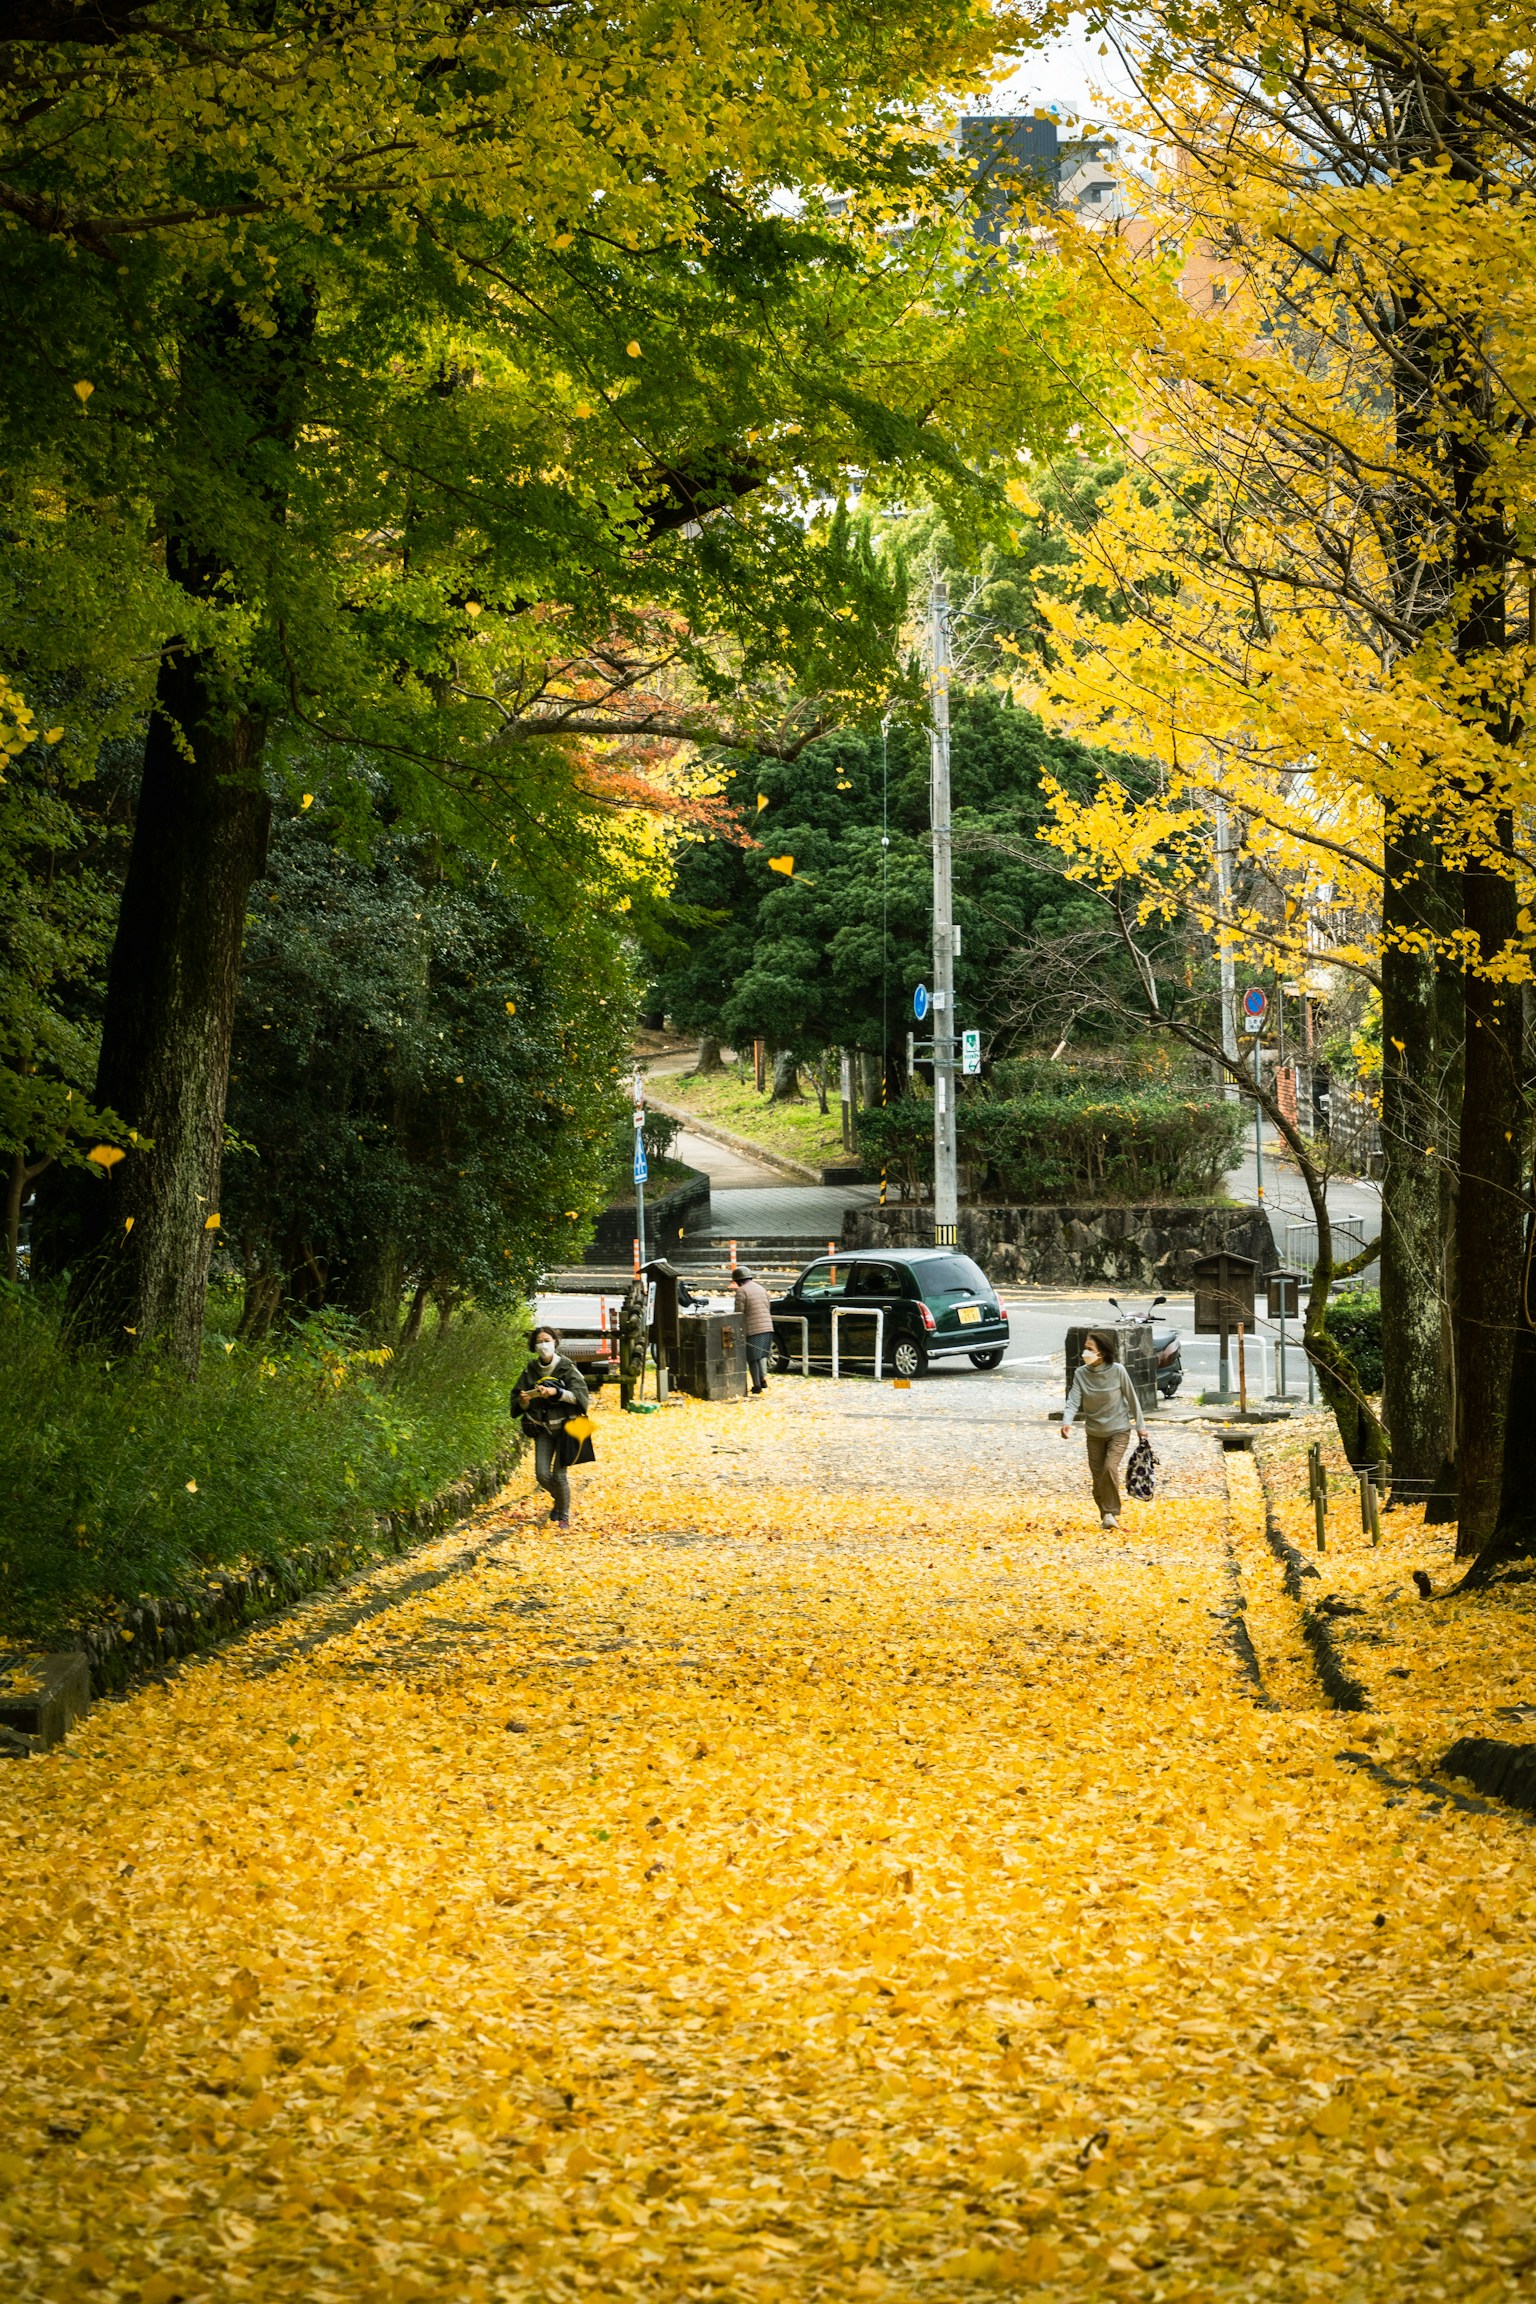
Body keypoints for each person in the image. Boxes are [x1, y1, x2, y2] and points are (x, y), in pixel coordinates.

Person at [1059, 1327, 1149, 1529]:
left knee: (1109, 1468)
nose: (1085, 1353)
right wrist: (1067, 1422)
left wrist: (1140, 1427)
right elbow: (1073, 1400)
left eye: (1090, 1349)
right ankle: (1106, 1515)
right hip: (1094, 1433)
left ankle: (1111, 1512)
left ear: (1101, 1352)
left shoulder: (1118, 1371)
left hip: (1119, 1430)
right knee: (1098, 1477)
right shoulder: (1081, 1373)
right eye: (1085, 1348)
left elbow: (1132, 1398)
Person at [514, 1325, 590, 1528]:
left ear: (555, 1342)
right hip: (543, 1429)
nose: (543, 1345)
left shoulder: (567, 1367)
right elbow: (519, 1402)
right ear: (533, 1346)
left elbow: (581, 1397)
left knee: (559, 1475)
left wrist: (556, 1393)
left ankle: (563, 1515)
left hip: (566, 1428)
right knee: (542, 1475)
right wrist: (524, 1401)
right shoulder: (530, 1370)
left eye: (547, 1341)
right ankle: (561, 1500)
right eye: (539, 1342)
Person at [732, 1264, 775, 1395]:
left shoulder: (742, 1291)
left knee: (752, 1358)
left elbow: (739, 1313)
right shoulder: (761, 1288)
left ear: (738, 1281)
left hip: (753, 1329)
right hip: (767, 1327)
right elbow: (767, 1306)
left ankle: (756, 1386)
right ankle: (762, 1380)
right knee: (759, 1356)